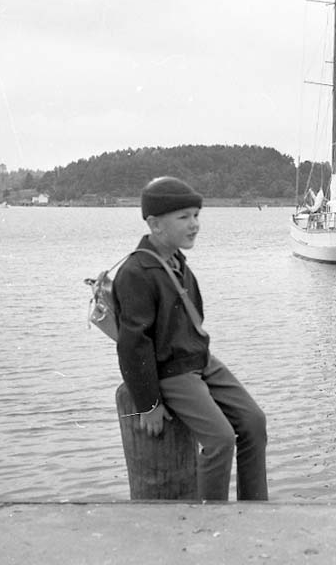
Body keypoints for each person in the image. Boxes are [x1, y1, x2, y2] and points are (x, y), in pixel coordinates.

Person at [113, 176, 268, 501]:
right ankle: (210, 516)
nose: (194, 224)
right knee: (219, 440)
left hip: (200, 361)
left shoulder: (178, 263)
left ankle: (255, 509)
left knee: (254, 422)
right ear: (155, 224)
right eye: (183, 217)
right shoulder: (137, 272)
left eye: (196, 215)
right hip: (173, 371)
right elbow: (132, 346)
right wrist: (148, 404)